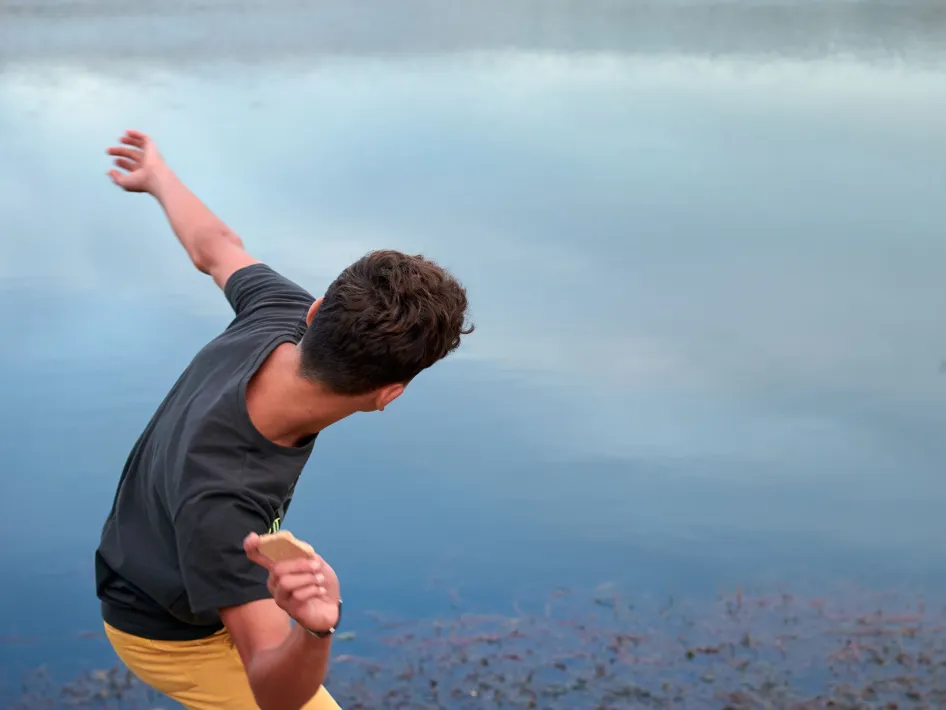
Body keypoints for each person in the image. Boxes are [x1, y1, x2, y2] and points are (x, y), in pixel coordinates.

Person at [94, 129, 473, 710]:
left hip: (164, 555)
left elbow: (215, 246)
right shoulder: (224, 496)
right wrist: (316, 629)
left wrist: (157, 176)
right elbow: (275, 692)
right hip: (169, 635)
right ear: (389, 396)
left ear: (316, 310)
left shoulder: (278, 313)